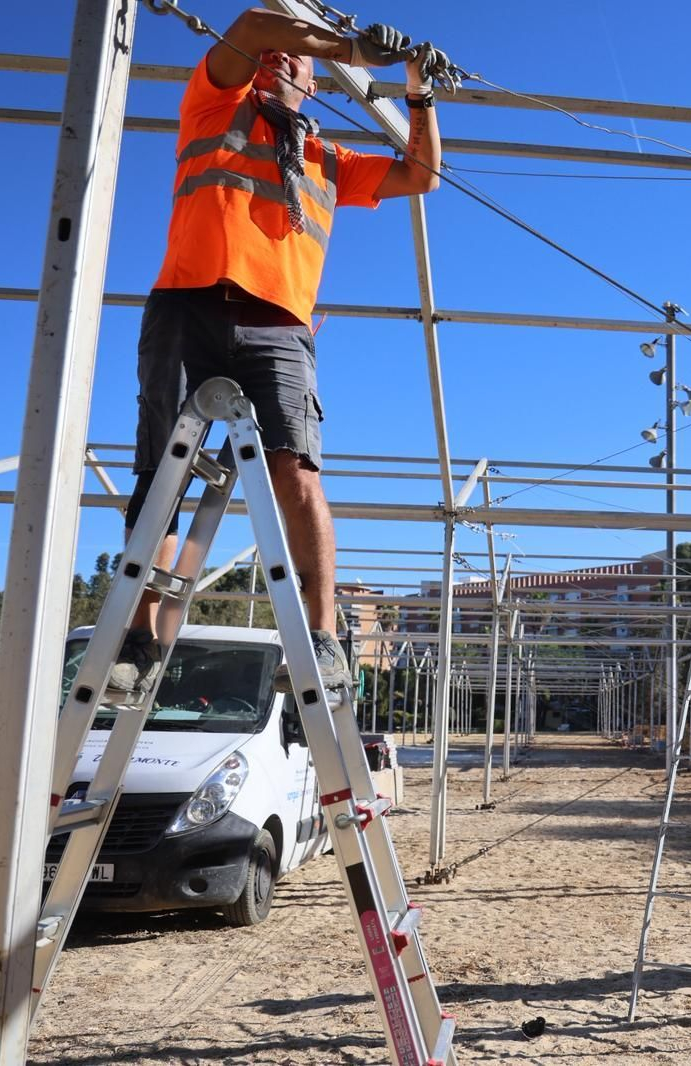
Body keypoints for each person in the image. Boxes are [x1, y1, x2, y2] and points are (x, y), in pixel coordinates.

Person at [110, 10, 444, 699]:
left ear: (316, 82)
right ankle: (141, 643)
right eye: (277, 55)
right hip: (188, 302)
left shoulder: (329, 159)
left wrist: (419, 91)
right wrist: (346, 45)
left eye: (297, 60)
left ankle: (323, 641)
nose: (283, 62)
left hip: (281, 326)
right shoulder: (216, 103)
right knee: (159, 477)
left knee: (298, 474)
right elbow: (255, 23)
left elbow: (422, 176)